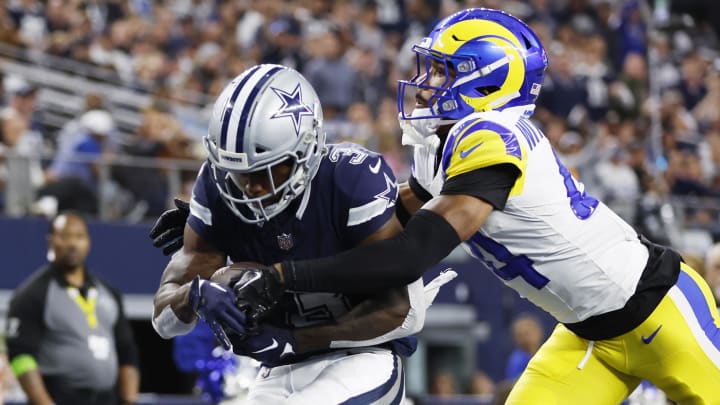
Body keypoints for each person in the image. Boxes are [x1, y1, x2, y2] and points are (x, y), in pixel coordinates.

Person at [225, 8, 720, 404]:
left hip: (661, 313)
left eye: (442, 71)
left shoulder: (490, 137)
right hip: (586, 336)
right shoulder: (445, 145)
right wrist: (252, 219)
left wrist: (286, 276)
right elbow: (375, 221)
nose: (426, 81)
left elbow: (409, 254)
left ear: (488, 82)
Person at [150, 64, 454, 404]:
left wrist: (295, 339)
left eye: (267, 170)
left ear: (306, 150)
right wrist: (194, 295)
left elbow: (401, 312)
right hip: (280, 368)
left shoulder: (351, 179)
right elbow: (164, 322)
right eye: (239, 173)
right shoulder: (216, 189)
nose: (251, 188)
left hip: (362, 356)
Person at [4, 212, 140, 405]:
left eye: (79, 236)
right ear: (51, 241)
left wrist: (129, 400)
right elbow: (20, 357)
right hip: (61, 397)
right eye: (65, 236)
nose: (73, 244)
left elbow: (127, 352)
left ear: (89, 242)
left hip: (108, 398)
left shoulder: (108, 292)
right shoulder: (32, 294)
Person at [505, 314, 544, 381]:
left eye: (527, 333)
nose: (524, 338)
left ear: (538, 332)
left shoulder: (548, 353)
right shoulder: (517, 360)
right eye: (520, 335)